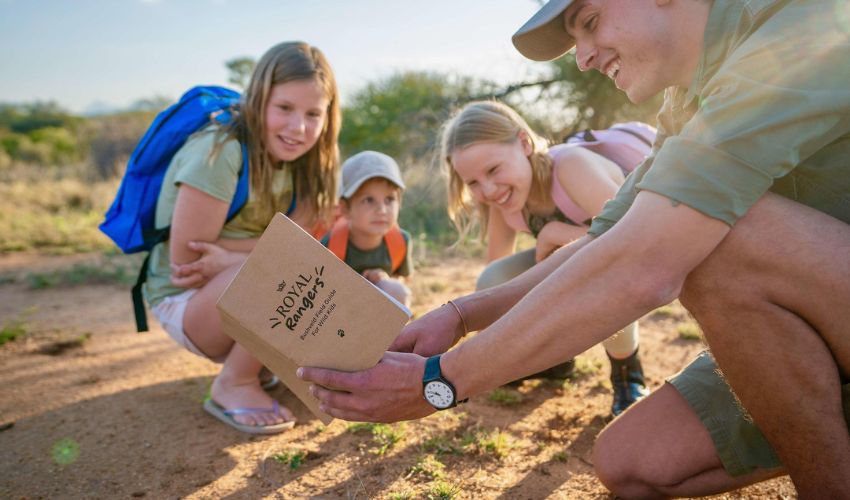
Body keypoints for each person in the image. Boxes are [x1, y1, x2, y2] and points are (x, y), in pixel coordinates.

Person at [298, 0, 850, 496]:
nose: (582, 57)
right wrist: (459, 314)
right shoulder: (686, 105)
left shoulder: (797, 18)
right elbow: (600, 242)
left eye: (589, 22)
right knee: (630, 462)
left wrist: (439, 381)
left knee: (719, 237)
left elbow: (644, 260)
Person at [146, 41, 341, 434]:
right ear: (258, 98)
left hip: (236, 283)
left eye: (313, 114)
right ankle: (234, 382)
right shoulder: (222, 150)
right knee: (284, 268)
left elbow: (303, 245)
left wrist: (234, 257)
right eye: (284, 108)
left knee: (315, 270)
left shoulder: (310, 164)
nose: (298, 128)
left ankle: (265, 364)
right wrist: (258, 259)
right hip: (185, 301)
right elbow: (186, 264)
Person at [442, 100, 656, 415]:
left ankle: (627, 374)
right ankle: (553, 360)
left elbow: (634, 238)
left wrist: (558, 234)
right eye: (473, 182)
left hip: (634, 253)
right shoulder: (500, 199)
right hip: (587, 254)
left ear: (524, 143)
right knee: (494, 279)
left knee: (603, 278)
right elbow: (495, 283)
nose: (487, 189)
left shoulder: (570, 166)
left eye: (493, 170)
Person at [321, 150, 414, 308]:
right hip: (338, 309)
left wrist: (384, 279)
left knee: (398, 291)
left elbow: (403, 280)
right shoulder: (331, 245)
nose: (382, 210)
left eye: (389, 199)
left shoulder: (399, 241)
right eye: (368, 200)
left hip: (377, 311)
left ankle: (395, 333)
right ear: (345, 209)